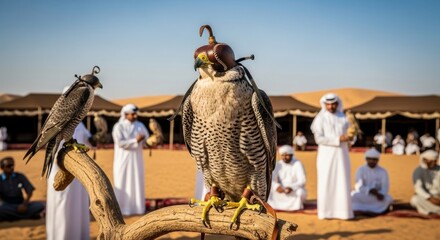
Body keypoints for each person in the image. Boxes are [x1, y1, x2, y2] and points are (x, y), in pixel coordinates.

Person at [310, 93, 354, 220]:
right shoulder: (320, 118)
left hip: (342, 154)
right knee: (326, 182)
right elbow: (319, 139)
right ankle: (325, 213)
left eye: (333, 104)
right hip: (326, 155)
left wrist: (351, 137)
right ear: (324, 104)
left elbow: (352, 135)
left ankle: (344, 213)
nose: (330, 106)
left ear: (337, 104)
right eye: (328, 104)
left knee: (342, 181)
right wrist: (338, 139)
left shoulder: (344, 117)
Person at [46, 122, 92, 240]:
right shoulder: (58, 122)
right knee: (63, 202)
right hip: (61, 170)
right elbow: (53, 148)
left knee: (78, 203)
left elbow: (87, 141)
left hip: (79, 170)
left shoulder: (80, 124)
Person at [112, 104, 149, 216]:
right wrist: (135, 140)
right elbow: (120, 143)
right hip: (122, 160)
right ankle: (122, 209)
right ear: (125, 114)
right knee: (121, 182)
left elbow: (146, 139)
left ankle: (138, 208)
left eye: (135, 113)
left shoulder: (140, 125)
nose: (134, 115)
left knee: (136, 182)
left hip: (136, 160)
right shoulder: (119, 126)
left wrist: (149, 141)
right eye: (132, 114)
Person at [0, 156, 45, 221]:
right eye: (9, 166)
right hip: (6, 205)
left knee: (39, 206)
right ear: (2, 167)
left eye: (12, 165)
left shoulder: (20, 176)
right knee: (2, 209)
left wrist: (24, 204)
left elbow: (29, 191)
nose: (12, 167)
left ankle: (10, 217)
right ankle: (29, 216)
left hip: (21, 204)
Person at [351, 148, 393, 215]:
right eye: (369, 159)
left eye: (374, 159)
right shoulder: (360, 170)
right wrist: (369, 190)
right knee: (353, 196)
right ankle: (378, 210)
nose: (372, 161)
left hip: (377, 196)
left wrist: (381, 194)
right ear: (366, 159)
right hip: (363, 195)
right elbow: (358, 186)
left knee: (388, 198)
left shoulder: (383, 171)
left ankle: (364, 210)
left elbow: (385, 187)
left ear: (378, 160)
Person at [267, 145, 307, 211]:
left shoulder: (297, 164)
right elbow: (272, 179)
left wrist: (291, 187)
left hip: (294, 188)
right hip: (281, 189)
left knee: (300, 193)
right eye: (283, 155)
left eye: (287, 155)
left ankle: (295, 207)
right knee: (269, 191)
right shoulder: (278, 164)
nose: (285, 157)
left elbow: (302, 180)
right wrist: (277, 187)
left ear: (291, 155)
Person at [410, 150, 440, 215]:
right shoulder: (418, 171)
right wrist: (429, 198)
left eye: (435, 161)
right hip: (427, 198)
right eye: (431, 161)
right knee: (415, 200)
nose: (434, 163)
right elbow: (418, 188)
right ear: (425, 160)